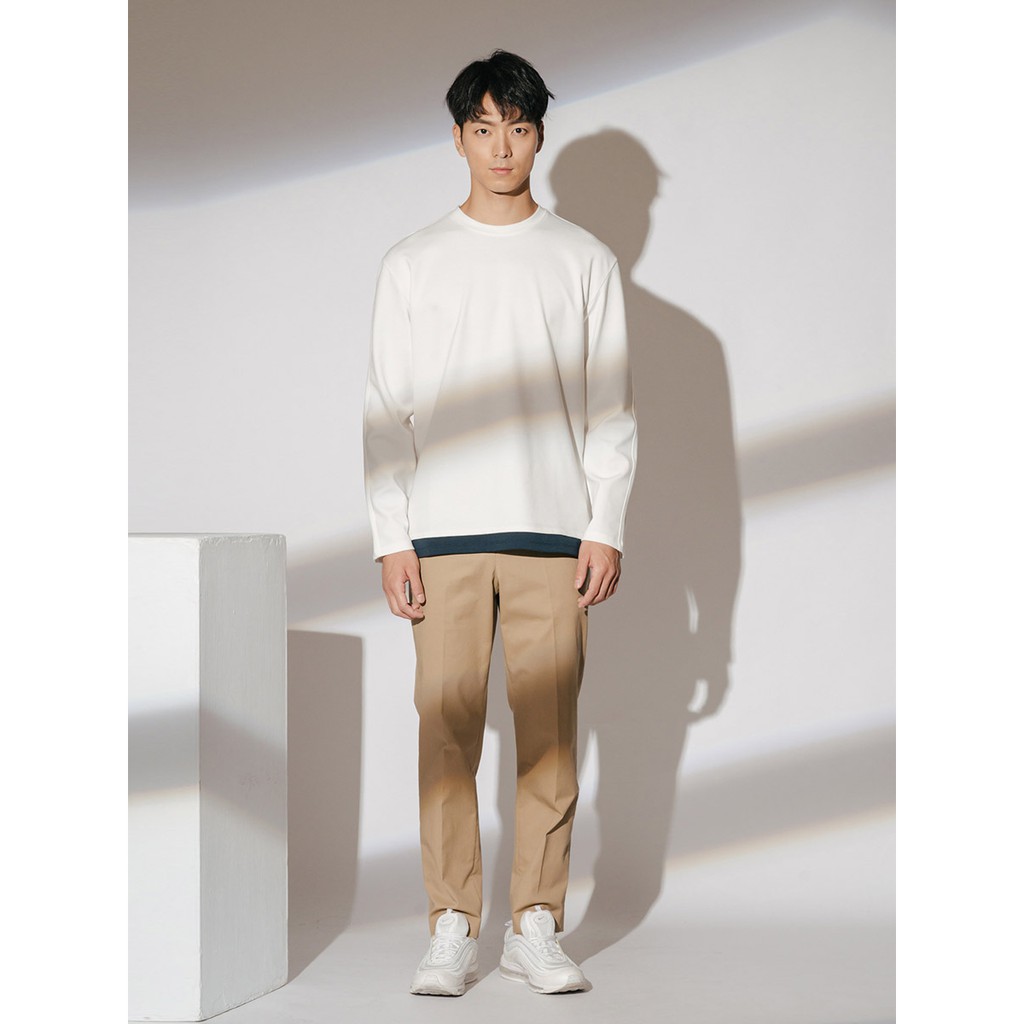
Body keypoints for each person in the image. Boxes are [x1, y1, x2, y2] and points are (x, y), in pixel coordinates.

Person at [362, 48, 638, 996]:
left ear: (539, 135)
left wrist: (606, 524)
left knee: (550, 735)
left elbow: (612, 410)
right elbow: (385, 410)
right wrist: (390, 536)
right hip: (440, 535)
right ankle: (452, 922)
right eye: (484, 129)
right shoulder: (413, 262)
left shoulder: (584, 260)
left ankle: (534, 924)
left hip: (553, 532)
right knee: (446, 731)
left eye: (518, 127)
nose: (502, 147)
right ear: (458, 139)